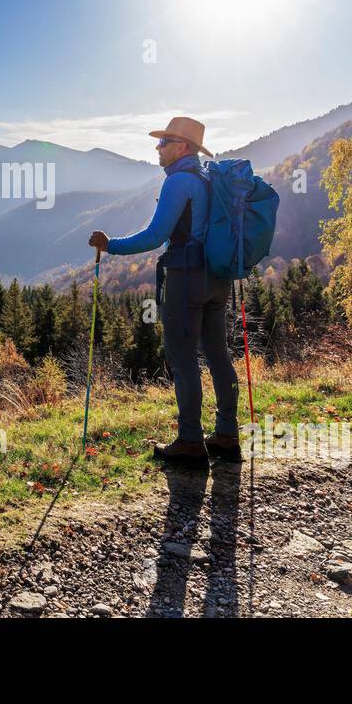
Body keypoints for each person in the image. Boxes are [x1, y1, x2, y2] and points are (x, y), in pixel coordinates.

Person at [88, 117, 241, 466]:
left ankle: (190, 441)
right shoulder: (208, 180)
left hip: (186, 278)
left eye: (164, 142)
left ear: (183, 147)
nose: (157, 148)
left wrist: (111, 245)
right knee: (218, 357)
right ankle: (227, 436)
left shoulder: (179, 182)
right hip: (218, 277)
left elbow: (154, 237)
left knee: (183, 358)